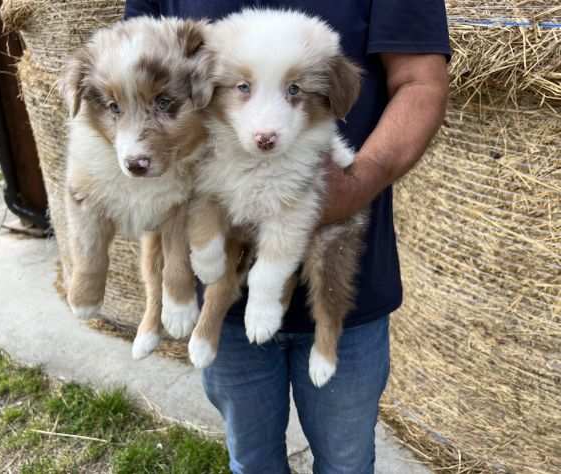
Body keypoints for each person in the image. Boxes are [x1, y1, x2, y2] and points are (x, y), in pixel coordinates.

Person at [125, 2, 450, 473]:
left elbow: (420, 80)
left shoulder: (323, 68)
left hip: (345, 274)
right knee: (252, 461)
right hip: (225, 298)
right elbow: (140, 79)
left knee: (346, 462)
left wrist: (357, 183)